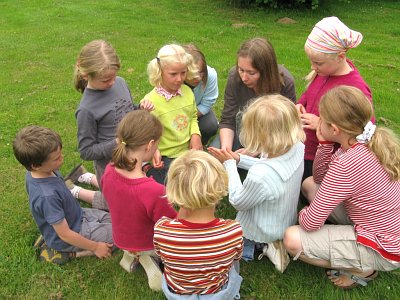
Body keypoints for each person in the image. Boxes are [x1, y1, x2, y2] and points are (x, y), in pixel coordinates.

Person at [284, 86, 400, 289]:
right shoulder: (365, 142)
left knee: (292, 239)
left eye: (322, 119)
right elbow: (319, 178)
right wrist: (324, 144)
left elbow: (310, 223)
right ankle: (348, 243)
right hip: (383, 226)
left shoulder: (348, 164)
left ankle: (364, 269)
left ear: (335, 129)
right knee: (310, 185)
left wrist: (300, 213)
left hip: (386, 248)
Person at [209, 95, 305, 272]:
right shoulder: (296, 147)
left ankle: (261, 247)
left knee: (227, 239)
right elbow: (268, 167)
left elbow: (238, 201)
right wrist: (239, 159)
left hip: (263, 229)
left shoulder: (260, 175)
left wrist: (229, 165)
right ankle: (273, 242)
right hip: (285, 219)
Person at [13, 125, 114, 265]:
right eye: (56, 158)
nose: (62, 158)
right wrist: (95, 247)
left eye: (60, 154)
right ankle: (67, 252)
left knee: (120, 221)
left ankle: (49, 235)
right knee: (124, 236)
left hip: (78, 215)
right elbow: (65, 234)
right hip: (72, 232)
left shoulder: (38, 171)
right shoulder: (46, 196)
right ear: (36, 165)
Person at [101, 110, 177, 291]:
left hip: (121, 238)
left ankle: (132, 256)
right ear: (150, 144)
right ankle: (149, 261)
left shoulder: (110, 169)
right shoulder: (154, 191)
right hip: (146, 243)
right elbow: (173, 225)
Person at [153, 150, 243, 299]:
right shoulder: (233, 230)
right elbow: (236, 258)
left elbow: (160, 254)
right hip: (216, 289)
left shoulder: (162, 229)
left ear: (174, 189)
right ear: (221, 185)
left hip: (178, 290)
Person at [297, 16, 374, 180]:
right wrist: (299, 105)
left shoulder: (355, 89)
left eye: (317, 63)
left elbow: (364, 133)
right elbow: (309, 94)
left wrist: (320, 124)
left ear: (340, 56)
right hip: (303, 148)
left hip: (325, 160)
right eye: (311, 61)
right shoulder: (324, 72)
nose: (313, 67)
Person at [74, 39, 152, 191]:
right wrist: (118, 142)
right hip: (111, 167)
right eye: (105, 80)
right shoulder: (86, 109)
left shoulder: (120, 82)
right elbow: (86, 151)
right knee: (114, 202)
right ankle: (76, 190)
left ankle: (87, 177)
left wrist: (140, 109)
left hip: (132, 158)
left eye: (114, 77)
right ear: (85, 75)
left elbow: (127, 111)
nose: (112, 83)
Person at [212, 37, 296, 151]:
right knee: (214, 156)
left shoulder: (285, 83)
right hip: (241, 130)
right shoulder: (234, 77)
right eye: (241, 70)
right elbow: (228, 120)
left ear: (266, 71)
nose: (244, 78)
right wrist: (225, 151)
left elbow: (286, 130)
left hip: (271, 138)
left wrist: (254, 151)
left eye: (251, 73)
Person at [142, 44, 202, 184]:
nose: (179, 79)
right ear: (159, 71)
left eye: (183, 72)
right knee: (171, 184)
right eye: (173, 74)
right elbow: (148, 132)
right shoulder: (150, 101)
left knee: (202, 177)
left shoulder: (187, 92)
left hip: (188, 150)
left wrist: (195, 135)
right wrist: (154, 150)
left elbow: (193, 117)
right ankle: (146, 167)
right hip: (165, 155)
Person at [183, 44, 219, 145]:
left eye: (202, 72)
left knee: (210, 125)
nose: (198, 77)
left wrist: (188, 120)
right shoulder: (175, 79)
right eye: (193, 73)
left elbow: (207, 103)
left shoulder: (211, 75)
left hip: (197, 112)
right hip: (173, 114)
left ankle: (201, 142)